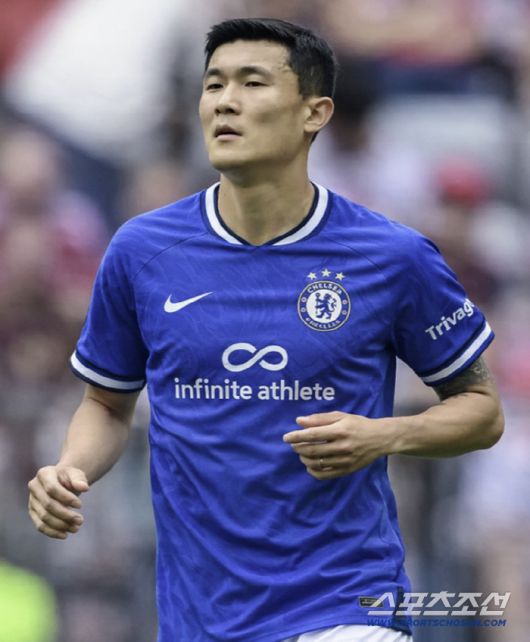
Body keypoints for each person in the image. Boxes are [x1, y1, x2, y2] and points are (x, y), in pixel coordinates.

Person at [27, 18, 504, 642]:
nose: (225, 101)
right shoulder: (141, 251)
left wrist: (384, 435)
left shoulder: (392, 256)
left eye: (252, 83)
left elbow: (482, 411)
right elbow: (105, 404)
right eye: (213, 85)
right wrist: (69, 471)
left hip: (346, 607)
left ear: (315, 112)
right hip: (200, 618)